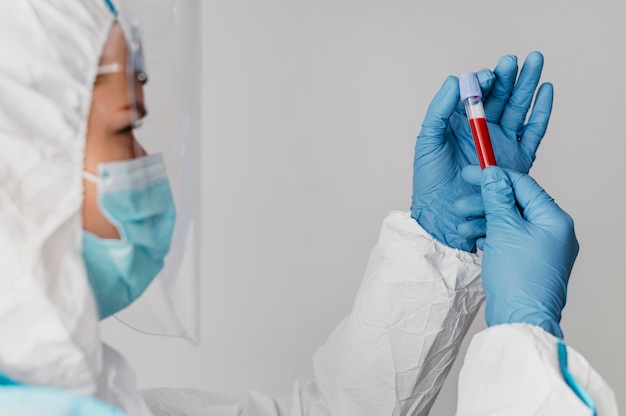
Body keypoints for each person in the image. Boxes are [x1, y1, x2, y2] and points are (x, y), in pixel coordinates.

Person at [0, 1, 616, 415]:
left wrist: (440, 242)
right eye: (126, 128)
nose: (146, 167)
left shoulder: (82, 394)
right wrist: (524, 342)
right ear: (21, 171)